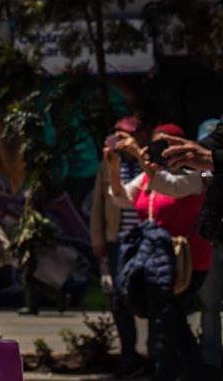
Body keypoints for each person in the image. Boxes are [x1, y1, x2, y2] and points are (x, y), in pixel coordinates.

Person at [108, 123, 212, 381]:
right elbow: (121, 198)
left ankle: (176, 372)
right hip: (153, 259)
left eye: (161, 147)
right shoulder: (147, 176)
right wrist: (112, 163)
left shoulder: (194, 176)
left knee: (169, 318)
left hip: (185, 261)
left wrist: (140, 157)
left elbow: (171, 187)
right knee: (166, 319)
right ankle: (179, 371)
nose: (155, 152)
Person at [89, 116, 148, 377]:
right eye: (118, 135)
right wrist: (98, 239)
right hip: (118, 241)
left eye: (127, 136)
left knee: (150, 295)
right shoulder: (107, 165)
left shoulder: (147, 162)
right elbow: (99, 205)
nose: (121, 141)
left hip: (147, 239)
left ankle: (156, 354)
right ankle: (128, 355)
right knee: (119, 300)